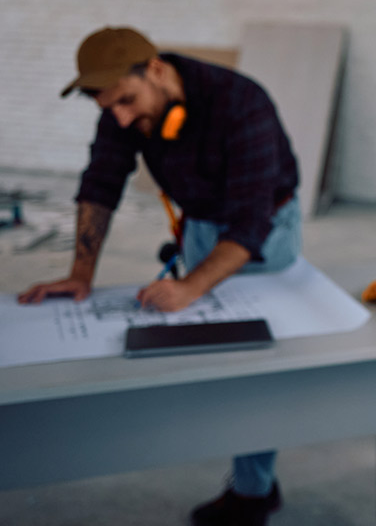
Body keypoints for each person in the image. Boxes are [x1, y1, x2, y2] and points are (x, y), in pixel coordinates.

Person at [19, 26, 302, 526]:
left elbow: (250, 222)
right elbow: (102, 182)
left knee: (253, 358)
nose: (122, 118)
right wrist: (79, 273)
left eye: (127, 102)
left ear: (154, 70)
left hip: (266, 227)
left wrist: (192, 285)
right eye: (110, 110)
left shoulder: (242, 103)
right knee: (202, 340)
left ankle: (255, 491)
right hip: (199, 221)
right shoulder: (121, 107)